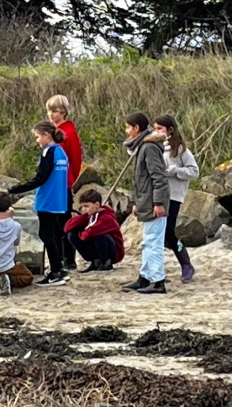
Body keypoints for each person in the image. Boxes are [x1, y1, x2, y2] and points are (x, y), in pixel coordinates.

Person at [8, 121, 70, 287]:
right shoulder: (61, 152)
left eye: (37, 137)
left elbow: (41, 178)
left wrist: (17, 189)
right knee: (55, 234)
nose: (37, 141)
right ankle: (61, 268)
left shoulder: (48, 152)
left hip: (48, 199)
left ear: (46, 135)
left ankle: (56, 271)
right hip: (59, 199)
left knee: (46, 235)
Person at [119, 112, 170, 295]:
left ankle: (157, 281)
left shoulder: (148, 147)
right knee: (147, 242)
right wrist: (135, 202)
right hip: (146, 201)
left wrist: (158, 203)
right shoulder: (142, 147)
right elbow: (139, 180)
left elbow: (159, 177)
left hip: (153, 203)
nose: (126, 131)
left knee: (153, 242)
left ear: (136, 128)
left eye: (128, 127)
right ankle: (145, 276)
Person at [153, 115, 200, 283]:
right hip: (158, 194)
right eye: (155, 128)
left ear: (170, 130)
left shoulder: (180, 150)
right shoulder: (155, 147)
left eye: (160, 129)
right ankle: (156, 269)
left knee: (168, 231)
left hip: (173, 195)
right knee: (156, 232)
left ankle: (185, 264)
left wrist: (174, 170)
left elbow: (194, 171)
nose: (156, 132)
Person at [46, 95, 82, 271]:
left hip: (63, 183)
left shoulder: (69, 133)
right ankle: (60, 257)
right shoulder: (53, 131)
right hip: (54, 183)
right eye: (50, 111)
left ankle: (68, 258)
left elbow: (75, 160)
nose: (51, 115)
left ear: (63, 112)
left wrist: (71, 180)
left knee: (64, 222)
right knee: (55, 222)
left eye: (55, 111)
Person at [63, 188, 125, 272]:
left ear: (97, 205)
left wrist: (82, 233)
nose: (84, 209)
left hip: (113, 252)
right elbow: (67, 227)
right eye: (83, 206)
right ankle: (95, 261)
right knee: (71, 234)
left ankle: (106, 262)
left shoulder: (107, 217)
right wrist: (83, 217)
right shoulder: (91, 215)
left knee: (98, 234)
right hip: (96, 242)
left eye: (86, 206)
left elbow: (89, 233)